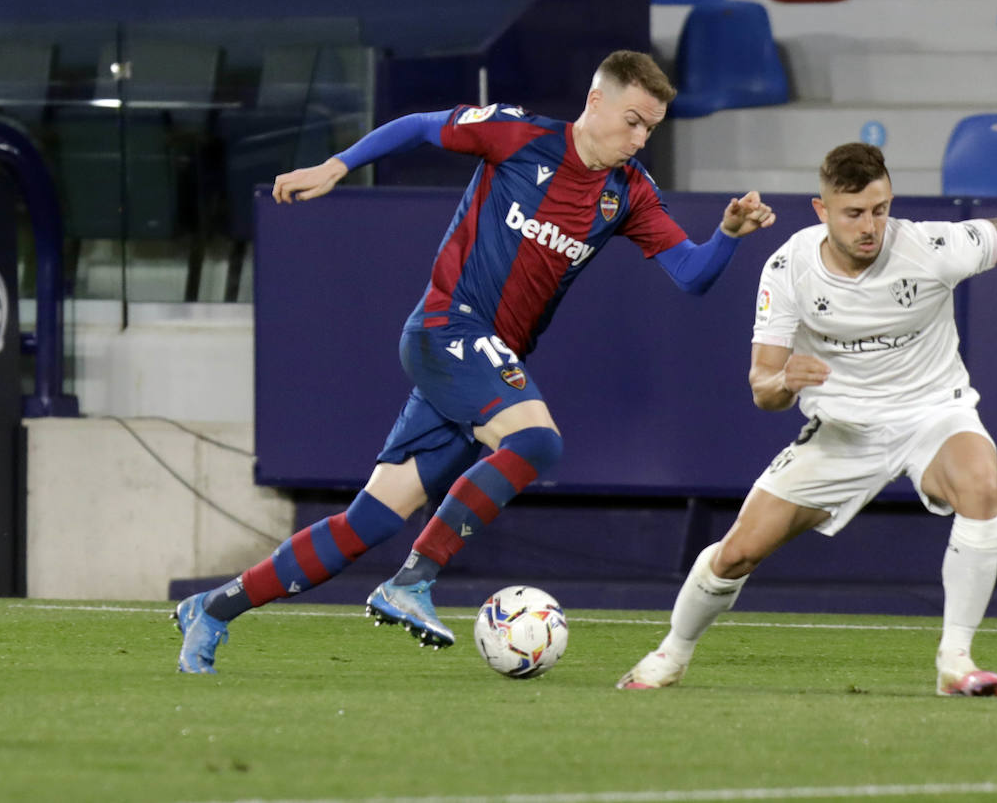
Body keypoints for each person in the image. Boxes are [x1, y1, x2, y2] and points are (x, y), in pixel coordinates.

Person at [172, 50, 776, 673]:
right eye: (632, 121)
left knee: (368, 522)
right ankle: (413, 580)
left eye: (650, 127)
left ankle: (212, 611)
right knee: (537, 441)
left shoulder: (628, 193)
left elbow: (692, 274)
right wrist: (337, 165)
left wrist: (727, 235)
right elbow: (419, 126)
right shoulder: (520, 134)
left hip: (481, 360)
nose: (640, 138)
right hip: (447, 327)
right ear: (594, 101)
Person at [617, 143, 997, 696]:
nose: (870, 226)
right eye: (854, 213)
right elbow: (762, 389)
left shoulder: (929, 246)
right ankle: (670, 656)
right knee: (738, 552)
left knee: (981, 482)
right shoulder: (789, 267)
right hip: (843, 432)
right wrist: (785, 382)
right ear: (822, 211)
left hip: (931, 413)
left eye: (880, 208)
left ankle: (955, 661)